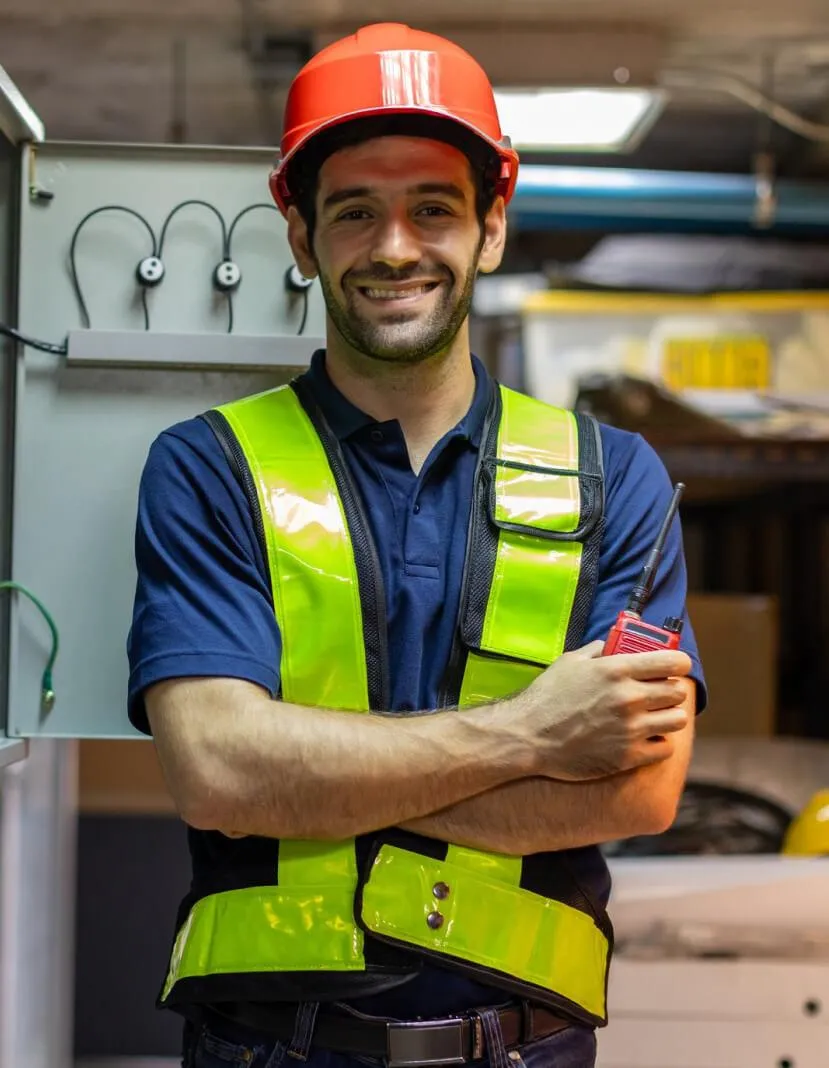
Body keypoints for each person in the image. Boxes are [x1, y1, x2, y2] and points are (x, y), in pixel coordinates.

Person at [128, 22, 706, 1068]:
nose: (394, 247)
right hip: (269, 1049)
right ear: (300, 237)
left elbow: (638, 790)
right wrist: (534, 733)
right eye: (355, 211)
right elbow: (217, 771)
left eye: (432, 208)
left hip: (524, 1050)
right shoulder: (210, 468)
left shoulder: (614, 479)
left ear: (492, 227)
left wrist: (314, 781)